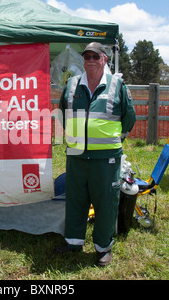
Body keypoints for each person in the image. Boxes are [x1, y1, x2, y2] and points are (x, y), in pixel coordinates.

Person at [56, 42, 136, 266]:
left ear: (105, 59)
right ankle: (73, 242)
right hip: (76, 155)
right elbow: (62, 113)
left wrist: (114, 140)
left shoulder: (117, 85)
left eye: (95, 56)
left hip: (106, 159)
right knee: (75, 200)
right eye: (86, 56)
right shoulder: (72, 84)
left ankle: (103, 248)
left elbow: (129, 117)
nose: (90, 60)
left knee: (106, 203)